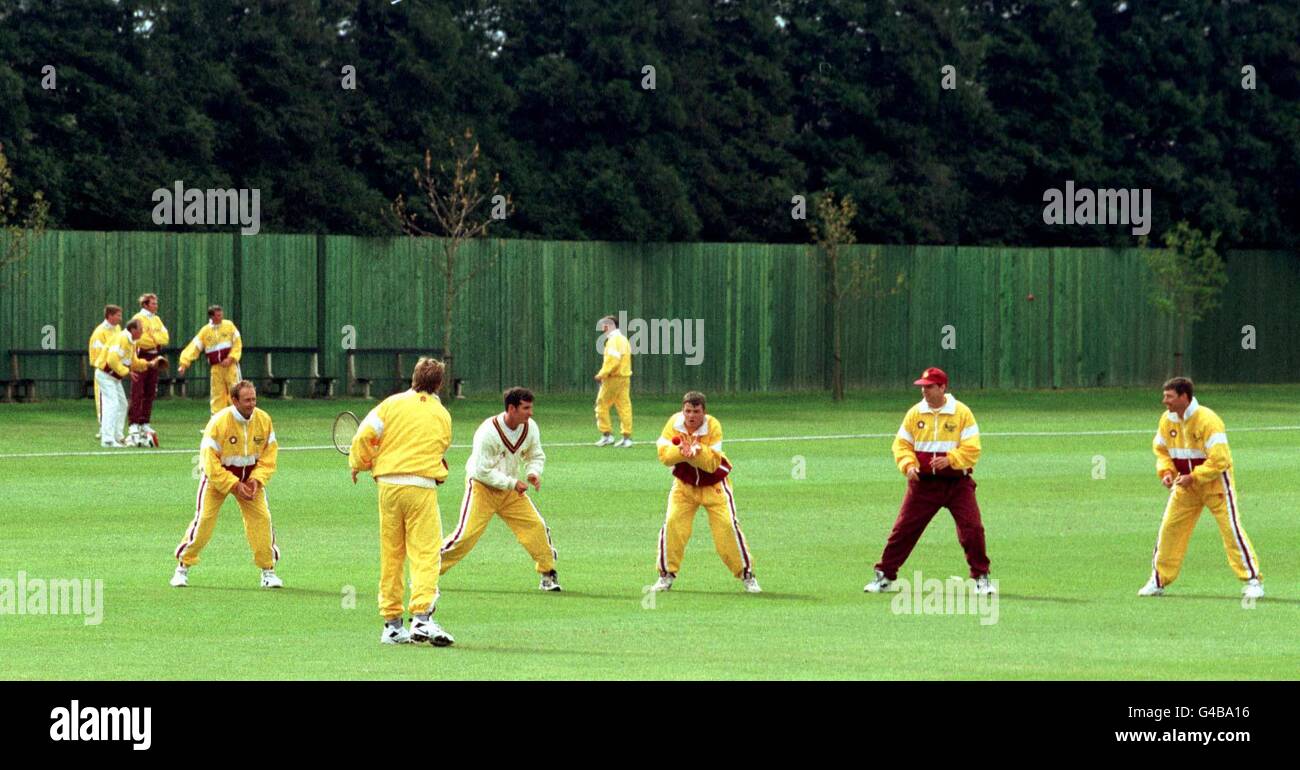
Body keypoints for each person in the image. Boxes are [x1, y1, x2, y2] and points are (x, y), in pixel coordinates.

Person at [349, 357, 455, 646]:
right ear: (439, 384)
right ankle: (422, 617)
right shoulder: (442, 414)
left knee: (392, 554)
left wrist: (360, 463)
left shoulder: (390, 404)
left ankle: (392, 625)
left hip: (388, 486)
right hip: (420, 487)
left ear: (413, 377)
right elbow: (440, 448)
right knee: (425, 553)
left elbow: (363, 436)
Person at [864, 367, 995, 595]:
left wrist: (951, 460)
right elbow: (901, 445)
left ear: (942, 387)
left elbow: (973, 448)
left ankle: (981, 578)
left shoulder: (962, 413)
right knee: (904, 530)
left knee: (972, 529)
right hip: (923, 485)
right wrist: (908, 465)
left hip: (957, 484)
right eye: (922, 387)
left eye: (929, 387)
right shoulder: (915, 413)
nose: (924, 391)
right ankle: (884, 576)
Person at [1140, 377, 1263, 599]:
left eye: (1169, 396)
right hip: (1185, 488)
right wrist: (1167, 472)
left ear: (1184, 396)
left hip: (1215, 486)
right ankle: (1158, 580)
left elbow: (1220, 460)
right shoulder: (1166, 421)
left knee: (1231, 530)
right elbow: (1161, 450)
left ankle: (1252, 580)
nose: (1164, 401)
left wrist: (1194, 477)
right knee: (1170, 529)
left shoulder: (1208, 420)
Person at [441, 387, 560, 591]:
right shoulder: (488, 432)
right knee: (465, 536)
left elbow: (535, 455)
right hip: (482, 488)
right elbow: (481, 471)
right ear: (511, 408)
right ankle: (425, 572)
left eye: (531, 407)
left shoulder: (530, 427)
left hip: (510, 491)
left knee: (536, 528)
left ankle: (548, 574)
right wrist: (512, 483)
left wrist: (533, 472)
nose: (530, 412)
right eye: (526, 408)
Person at [171, 380, 283, 589]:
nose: (251, 404)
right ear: (234, 401)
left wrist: (257, 479)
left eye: (254, 399)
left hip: (250, 478)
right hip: (218, 479)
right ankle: (182, 567)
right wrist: (233, 484)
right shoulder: (218, 422)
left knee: (262, 520)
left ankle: (268, 571)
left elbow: (269, 455)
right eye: (247, 400)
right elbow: (209, 463)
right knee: (204, 521)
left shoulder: (264, 420)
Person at [651, 391, 760, 593]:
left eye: (696, 411)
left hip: (714, 487)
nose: (691, 416)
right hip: (684, 486)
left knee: (727, 527)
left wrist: (696, 452)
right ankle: (666, 575)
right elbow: (665, 456)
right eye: (688, 411)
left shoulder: (713, 426)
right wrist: (680, 452)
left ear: (704, 412)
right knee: (673, 523)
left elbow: (711, 464)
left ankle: (747, 575)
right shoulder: (674, 423)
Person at [96, 319, 165, 448]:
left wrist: (148, 364)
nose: (142, 332)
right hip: (105, 374)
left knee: (122, 404)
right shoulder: (122, 338)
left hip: (113, 377)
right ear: (132, 330)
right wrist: (126, 372)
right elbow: (111, 360)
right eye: (140, 329)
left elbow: (133, 362)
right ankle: (107, 440)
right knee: (112, 404)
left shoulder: (132, 342)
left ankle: (117, 436)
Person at [178, 304, 244, 414]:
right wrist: (184, 363)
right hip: (216, 368)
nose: (220, 317)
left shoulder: (229, 326)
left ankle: (238, 418)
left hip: (230, 366)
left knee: (235, 392)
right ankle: (217, 422)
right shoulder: (205, 331)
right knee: (217, 395)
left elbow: (238, 344)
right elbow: (194, 347)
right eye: (218, 315)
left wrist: (231, 358)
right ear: (212, 317)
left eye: (221, 314)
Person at [127, 292, 170, 443]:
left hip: (155, 356)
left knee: (150, 391)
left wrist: (155, 338)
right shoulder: (138, 318)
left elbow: (165, 336)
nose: (156, 306)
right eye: (153, 303)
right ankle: (133, 423)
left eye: (156, 303)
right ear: (145, 305)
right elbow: (142, 340)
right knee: (137, 391)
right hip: (142, 355)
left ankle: (145, 422)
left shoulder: (157, 319)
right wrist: (154, 339)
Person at [594, 314, 633, 447]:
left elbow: (613, 361)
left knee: (601, 405)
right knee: (624, 407)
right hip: (624, 377)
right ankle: (627, 437)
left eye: (605, 325)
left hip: (613, 378)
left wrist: (602, 374)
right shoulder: (623, 339)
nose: (603, 328)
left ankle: (607, 435)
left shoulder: (613, 341)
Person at [87, 304, 122, 440]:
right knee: (103, 401)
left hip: (115, 371)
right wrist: (105, 368)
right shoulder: (99, 332)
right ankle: (104, 429)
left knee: (119, 402)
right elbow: (95, 356)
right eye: (118, 315)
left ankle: (114, 430)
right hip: (104, 371)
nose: (120, 318)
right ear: (110, 316)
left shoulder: (117, 329)